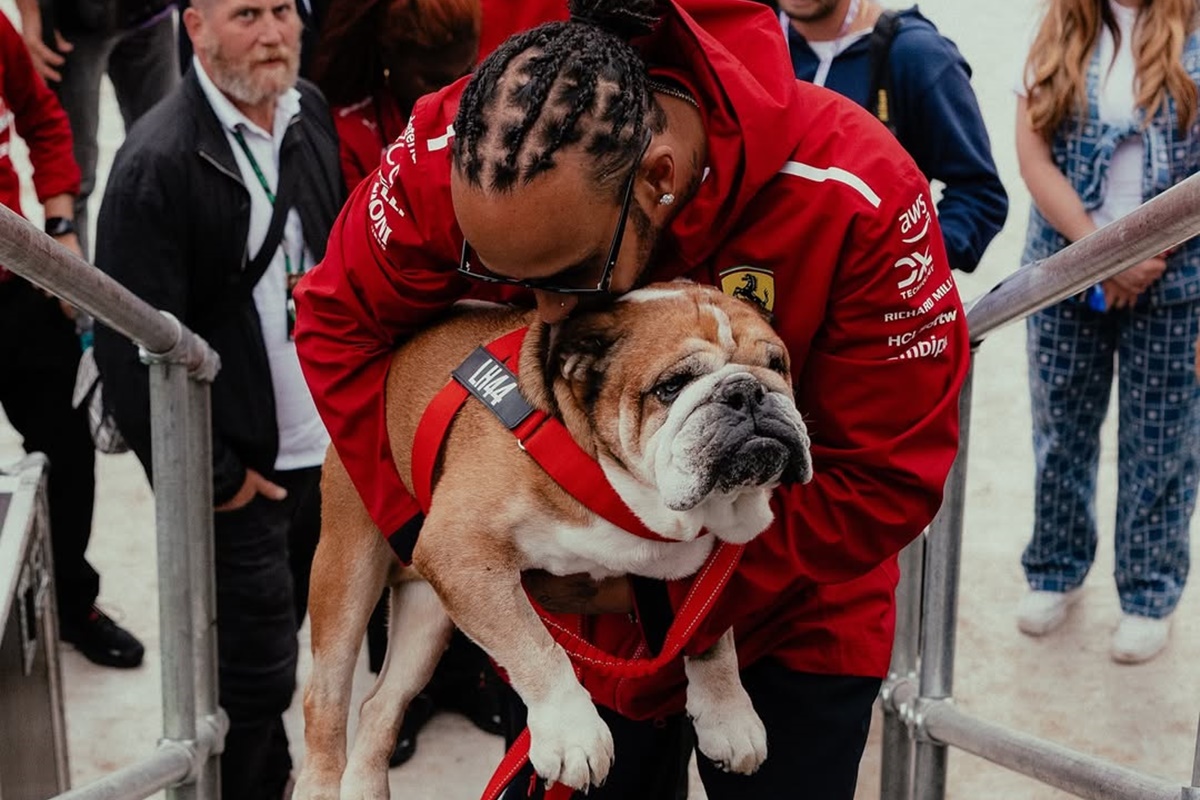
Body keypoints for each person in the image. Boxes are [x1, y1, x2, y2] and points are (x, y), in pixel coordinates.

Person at [293, 0, 969, 797]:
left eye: (567, 277)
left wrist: (661, 586)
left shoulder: (862, 188)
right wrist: (433, 531)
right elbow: (335, 322)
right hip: (561, 605)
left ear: (660, 177)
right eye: (509, 276)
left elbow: (890, 475)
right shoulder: (474, 149)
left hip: (790, 606)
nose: (543, 311)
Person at [91, 0, 344, 794]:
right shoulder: (156, 163)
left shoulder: (310, 113)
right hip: (242, 481)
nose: (273, 33)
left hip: (322, 461)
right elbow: (130, 360)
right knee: (250, 687)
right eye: (246, 15)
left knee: (303, 649)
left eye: (282, 11)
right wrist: (222, 485)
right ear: (194, 27)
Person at [311, 0, 508, 766]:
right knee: (376, 531)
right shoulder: (347, 123)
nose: (451, 86)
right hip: (393, 348)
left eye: (465, 68)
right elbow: (358, 252)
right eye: (434, 76)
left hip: (463, 344)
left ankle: (459, 676)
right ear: (391, 63)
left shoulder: (466, 103)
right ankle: (394, 698)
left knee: (467, 525)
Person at [1014, 0, 1200, 665]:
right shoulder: (1060, 24)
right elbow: (1032, 152)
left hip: (1175, 282)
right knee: (1061, 430)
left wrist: (1149, 253)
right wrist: (1102, 251)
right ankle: (1055, 569)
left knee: (1162, 442)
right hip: (1070, 268)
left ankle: (1149, 592)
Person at [0, 9, 144, 670]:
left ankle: (71, 601)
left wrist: (60, 222)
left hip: (12, 274)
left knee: (67, 444)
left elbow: (43, 119)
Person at [778, 0, 1008, 274]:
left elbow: (979, 195)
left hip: (859, 296)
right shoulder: (741, 38)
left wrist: (904, 267)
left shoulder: (916, 55)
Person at [15, 0, 179, 259]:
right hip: (75, 24)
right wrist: (30, 11)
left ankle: (160, 277)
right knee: (75, 179)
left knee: (169, 158)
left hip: (152, 15)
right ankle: (74, 290)